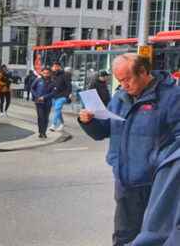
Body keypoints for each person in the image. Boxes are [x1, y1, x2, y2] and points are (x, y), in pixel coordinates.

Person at [78, 53, 180, 245]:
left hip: (156, 183)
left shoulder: (172, 97)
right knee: (123, 237)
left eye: (127, 80)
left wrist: (157, 160)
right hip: (125, 181)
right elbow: (103, 131)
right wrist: (89, 122)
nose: (124, 85)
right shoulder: (120, 97)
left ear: (143, 72)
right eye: (120, 80)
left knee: (154, 238)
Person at [30, 69, 54, 139]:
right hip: (39, 102)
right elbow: (32, 88)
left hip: (47, 102)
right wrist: (36, 96)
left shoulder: (52, 82)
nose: (46, 74)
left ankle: (44, 132)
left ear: (49, 74)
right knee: (41, 117)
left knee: (46, 118)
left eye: (47, 73)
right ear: (42, 73)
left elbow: (53, 93)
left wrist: (44, 97)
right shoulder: (38, 80)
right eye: (44, 73)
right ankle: (41, 132)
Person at [49, 62, 72, 132]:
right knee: (57, 110)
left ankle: (53, 124)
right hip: (54, 95)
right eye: (54, 66)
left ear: (60, 67)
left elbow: (69, 86)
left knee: (57, 108)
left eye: (57, 66)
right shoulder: (52, 75)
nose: (55, 68)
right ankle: (62, 123)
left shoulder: (65, 74)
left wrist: (68, 95)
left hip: (63, 95)